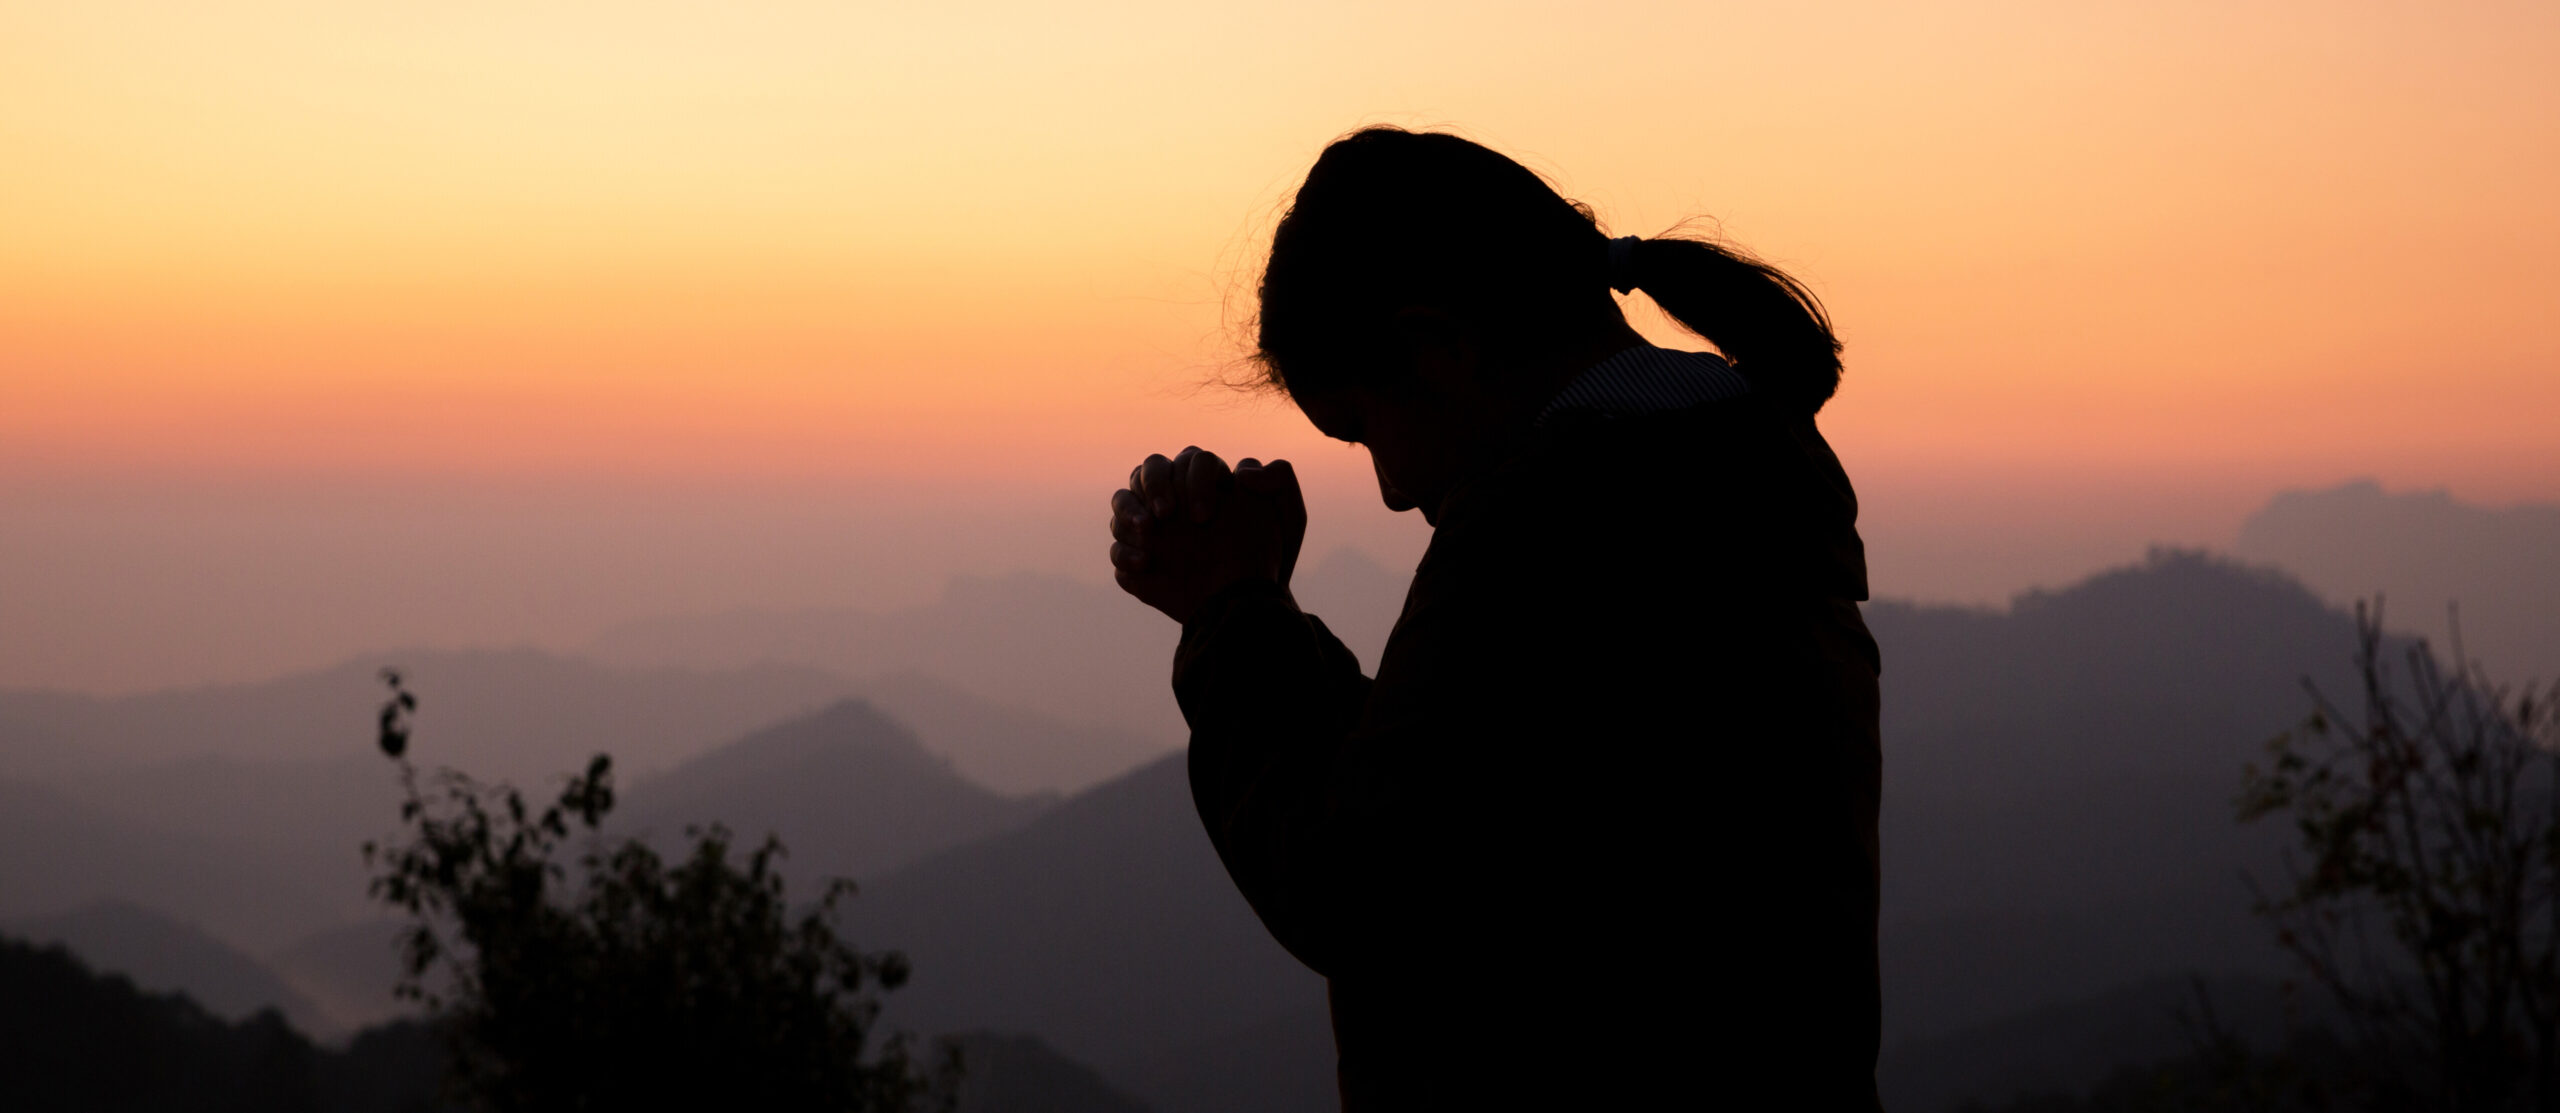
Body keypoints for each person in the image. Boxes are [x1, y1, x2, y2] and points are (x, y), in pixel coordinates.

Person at [1107, 127, 1882, 1110]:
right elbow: (1454, 805)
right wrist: (1252, 606)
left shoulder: (1553, 524)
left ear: (1438, 348)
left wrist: (1230, 608)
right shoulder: (1729, 486)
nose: (1388, 492)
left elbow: (1357, 886)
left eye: (1364, 432)